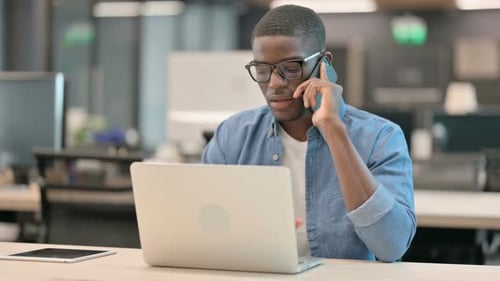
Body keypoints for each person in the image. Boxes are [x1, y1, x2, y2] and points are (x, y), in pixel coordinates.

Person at [202, 4, 416, 262]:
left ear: (324, 64)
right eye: (261, 70)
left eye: (291, 68)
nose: (274, 84)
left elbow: (391, 246)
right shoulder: (232, 136)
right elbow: (205, 231)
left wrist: (334, 129)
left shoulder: (381, 138)